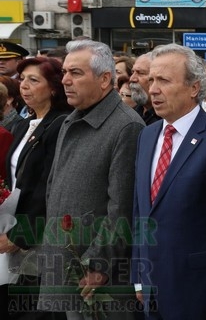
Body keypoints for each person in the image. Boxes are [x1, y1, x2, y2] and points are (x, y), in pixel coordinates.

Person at [132, 44, 206, 320]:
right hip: (150, 291)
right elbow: (140, 211)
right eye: (151, 80)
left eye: (164, 81)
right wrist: (138, 274)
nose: (153, 89)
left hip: (197, 293)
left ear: (194, 88)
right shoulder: (146, 136)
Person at [39, 40, 145, 319]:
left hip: (99, 278)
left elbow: (121, 207)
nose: (65, 80)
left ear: (105, 79)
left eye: (76, 73)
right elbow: (55, 188)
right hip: (67, 265)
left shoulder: (126, 126)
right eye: (64, 72)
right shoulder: (69, 120)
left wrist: (98, 264)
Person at [0, 57, 71, 320]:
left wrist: (20, 235)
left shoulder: (60, 124)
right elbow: (14, 178)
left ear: (53, 87)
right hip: (13, 226)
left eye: (34, 80)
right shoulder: (24, 124)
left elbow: (47, 186)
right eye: (23, 80)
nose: (25, 87)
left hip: (38, 236)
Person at [129, 53, 161, 125]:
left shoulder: (167, 119)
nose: (132, 79)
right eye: (132, 72)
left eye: (140, 73)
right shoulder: (131, 114)